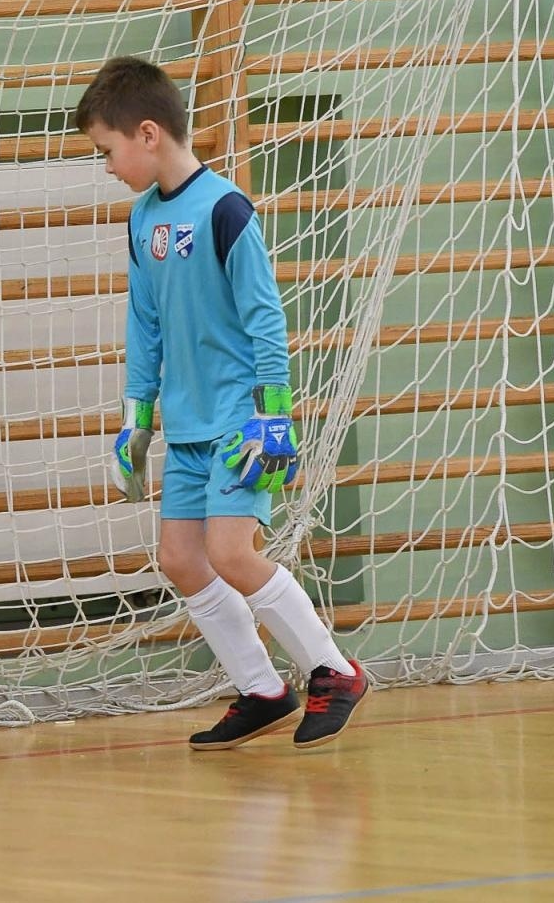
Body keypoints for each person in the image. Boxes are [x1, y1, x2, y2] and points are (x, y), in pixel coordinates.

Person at [75, 56, 367, 750]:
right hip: (187, 427)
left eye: (107, 152)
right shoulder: (142, 219)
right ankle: (263, 689)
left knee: (232, 553)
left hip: (242, 419)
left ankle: (334, 671)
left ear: (147, 134)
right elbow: (144, 326)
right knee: (181, 558)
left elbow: (265, 319)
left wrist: (274, 416)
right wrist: (136, 420)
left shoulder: (227, 209)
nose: (108, 167)